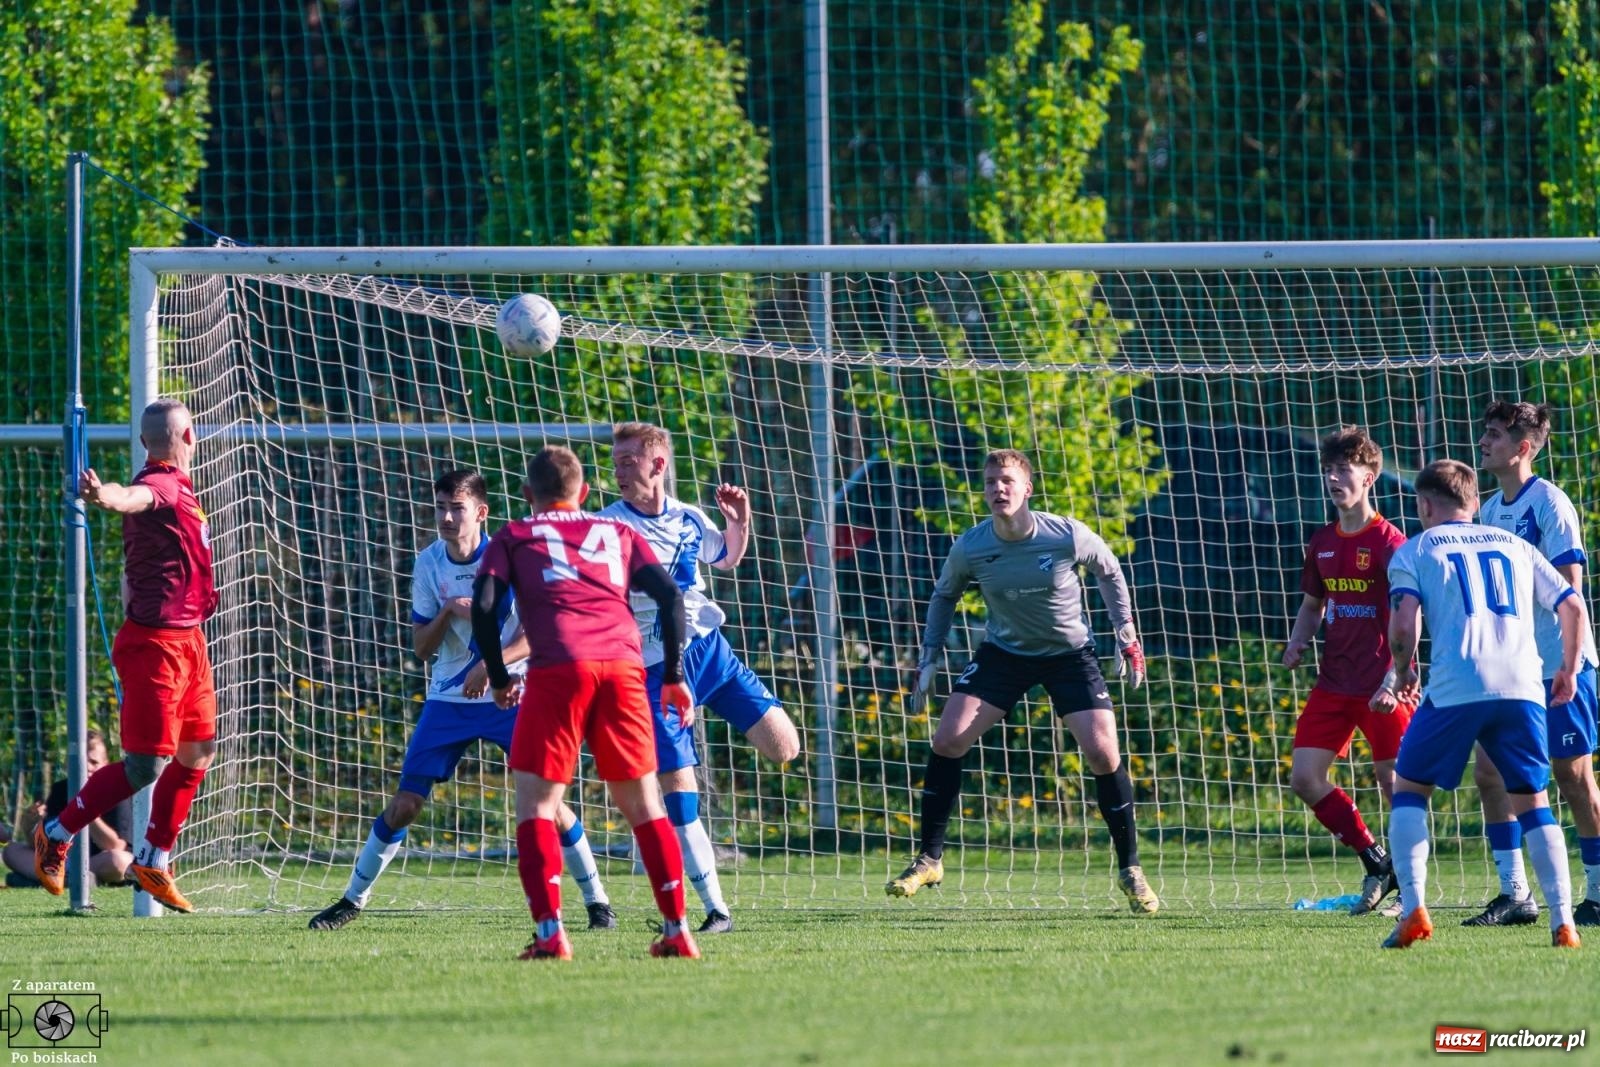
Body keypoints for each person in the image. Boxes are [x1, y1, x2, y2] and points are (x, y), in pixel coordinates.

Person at [306, 471, 628, 929]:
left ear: (481, 513)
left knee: (549, 803)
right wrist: (447, 611)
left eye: (456, 508)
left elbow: (538, 633)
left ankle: (598, 903)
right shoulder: (429, 563)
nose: (445, 517)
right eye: (440, 507)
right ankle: (352, 901)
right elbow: (421, 647)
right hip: (449, 700)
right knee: (405, 805)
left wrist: (491, 669)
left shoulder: (514, 557)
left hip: (512, 695)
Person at [889, 449, 1157, 913]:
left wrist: (1126, 634)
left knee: (1103, 753)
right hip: (1004, 655)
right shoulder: (971, 546)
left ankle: (1131, 869)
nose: (998, 489)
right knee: (947, 739)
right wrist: (928, 657)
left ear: (1027, 488)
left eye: (1008, 481)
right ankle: (929, 859)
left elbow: (1109, 570)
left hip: (1069, 656)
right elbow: (944, 595)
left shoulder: (1065, 534)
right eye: (991, 482)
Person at [472, 444, 699, 960]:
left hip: (559, 668)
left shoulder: (515, 535)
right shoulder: (617, 531)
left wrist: (501, 675)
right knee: (645, 805)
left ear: (527, 494)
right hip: (622, 668)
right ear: (586, 493)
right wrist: (674, 675)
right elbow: (669, 595)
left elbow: (485, 606)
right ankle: (677, 929)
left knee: (537, 806)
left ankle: (551, 933)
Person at [588, 421, 800, 933]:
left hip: (711, 653)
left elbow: (726, 558)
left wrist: (740, 523)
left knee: (785, 748)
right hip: (653, 669)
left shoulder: (688, 517)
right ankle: (715, 909)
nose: (619, 472)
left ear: (658, 465)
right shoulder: (606, 527)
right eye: (616, 463)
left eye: (628, 461)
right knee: (680, 789)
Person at [1373, 459, 1585, 950]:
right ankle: (1563, 922)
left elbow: (1403, 624)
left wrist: (1402, 670)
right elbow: (1572, 604)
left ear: (1425, 505)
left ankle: (1414, 910)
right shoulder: (1515, 545)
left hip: (1457, 685)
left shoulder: (1416, 549)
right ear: (1473, 502)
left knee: (1410, 789)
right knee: (1533, 801)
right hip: (1523, 686)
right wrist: (1569, 670)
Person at [34, 399, 219, 913]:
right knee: (145, 767)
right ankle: (56, 831)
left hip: (189, 641)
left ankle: (154, 859)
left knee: (198, 752)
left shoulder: (179, 490)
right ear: (190, 438)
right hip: (157, 647)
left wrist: (110, 498)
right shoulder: (162, 484)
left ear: (143, 440)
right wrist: (104, 497)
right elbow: (131, 497)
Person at [1466, 401, 1600, 928]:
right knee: (1489, 773)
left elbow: (1570, 590)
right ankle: (1515, 893)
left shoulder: (1550, 504)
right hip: (1513, 667)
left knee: (1572, 776)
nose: (1484, 442)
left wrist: (1569, 661)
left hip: (1560, 663)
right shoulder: (1490, 509)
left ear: (1523, 448)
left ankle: (1598, 892)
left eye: (1494, 435)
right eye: (1485, 433)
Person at [1281, 427, 1411, 915]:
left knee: (1395, 783)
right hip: (1334, 682)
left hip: (1382, 683)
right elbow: (1312, 606)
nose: (1334, 479)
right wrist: (1298, 641)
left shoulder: (1391, 543)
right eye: (1329, 470)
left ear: (1369, 477)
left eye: (1344, 470)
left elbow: (1410, 615)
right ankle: (1376, 860)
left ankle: (1412, 886)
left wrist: (1399, 675)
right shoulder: (1322, 541)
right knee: (1305, 777)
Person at [4, 731, 133, 888]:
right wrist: (29, 826)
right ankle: (72, 878)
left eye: (94, 762)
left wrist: (85, 810)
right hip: (63, 862)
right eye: (81, 761)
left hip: (99, 861)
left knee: (119, 861)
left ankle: (51, 878)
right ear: (68, 764)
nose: (87, 767)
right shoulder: (60, 790)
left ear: (106, 765)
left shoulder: (117, 793)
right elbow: (45, 845)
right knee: (12, 851)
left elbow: (116, 847)